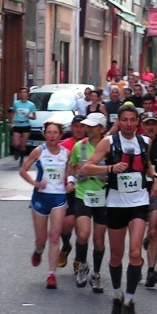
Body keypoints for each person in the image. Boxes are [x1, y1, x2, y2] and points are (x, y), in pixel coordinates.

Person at [81, 104, 157, 314]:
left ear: (138, 122)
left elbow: (147, 167)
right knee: (116, 255)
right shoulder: (108, 142)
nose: (128, 124)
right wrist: (109, 169)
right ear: (119, 121)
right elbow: (86, 168)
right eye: (124, 120)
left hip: (138, 201)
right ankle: (117, 296)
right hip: (116, 203)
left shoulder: (145, 142)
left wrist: (155, 178)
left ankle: (129, 301)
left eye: (132, 120)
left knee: (135, 253)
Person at [19, 122, 71, 289]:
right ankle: (38, 250)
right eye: (49, 132)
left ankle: (51, 275)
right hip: (41, 199)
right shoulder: (39, 151)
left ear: (60, 135)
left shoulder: (66, 153)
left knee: (54, 236)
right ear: (44, 135)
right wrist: (35, 183)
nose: (52, 136)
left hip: (59, 198)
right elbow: (23, 170)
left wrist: (70, 182)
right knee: (41, 239)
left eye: (55, 132)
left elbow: (70, 173)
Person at [68, 113, 109, 293]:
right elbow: (72, 165)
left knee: (99, 240)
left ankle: (97, 274)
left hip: (103, 196)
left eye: (93, 126)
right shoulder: (80, 146)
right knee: (83, 234)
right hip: (83, 193)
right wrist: (70, 179)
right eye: (87, 126)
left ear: (101, 129)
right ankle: (83, 264)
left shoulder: (110, 147)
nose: (88, 129)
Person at [139, 113, 157, 288]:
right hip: (136, 192)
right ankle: (136, 263)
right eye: (147, 124)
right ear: (142, 125)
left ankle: (151, 269)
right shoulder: (136, 144)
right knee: (137, 230)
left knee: (153, 233)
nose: (150, 127)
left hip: (155, 191)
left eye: (153, 124)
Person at [58, 115, 87, 272]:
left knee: (82, 229)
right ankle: (66, 245)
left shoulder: (90, 145)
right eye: (76, 126)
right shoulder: (64, 146)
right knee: (67, 225)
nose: (79, 129)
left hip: (85, 190)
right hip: (67, 189)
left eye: (82, 126)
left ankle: (79, 259)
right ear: (71, 128)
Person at [11, 87, 37, 164]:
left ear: (27, 94)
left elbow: (34, 117)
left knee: (23, 144)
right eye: (21, 92)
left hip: (26, 125)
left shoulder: (31, 105)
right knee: (16, 143)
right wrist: (11, 122)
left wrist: (29, 116)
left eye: (24, 92)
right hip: (17, 124)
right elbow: (13, 113)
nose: (23, 94)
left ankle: (21, 159)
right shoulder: (16, 103)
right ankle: (16, 150)